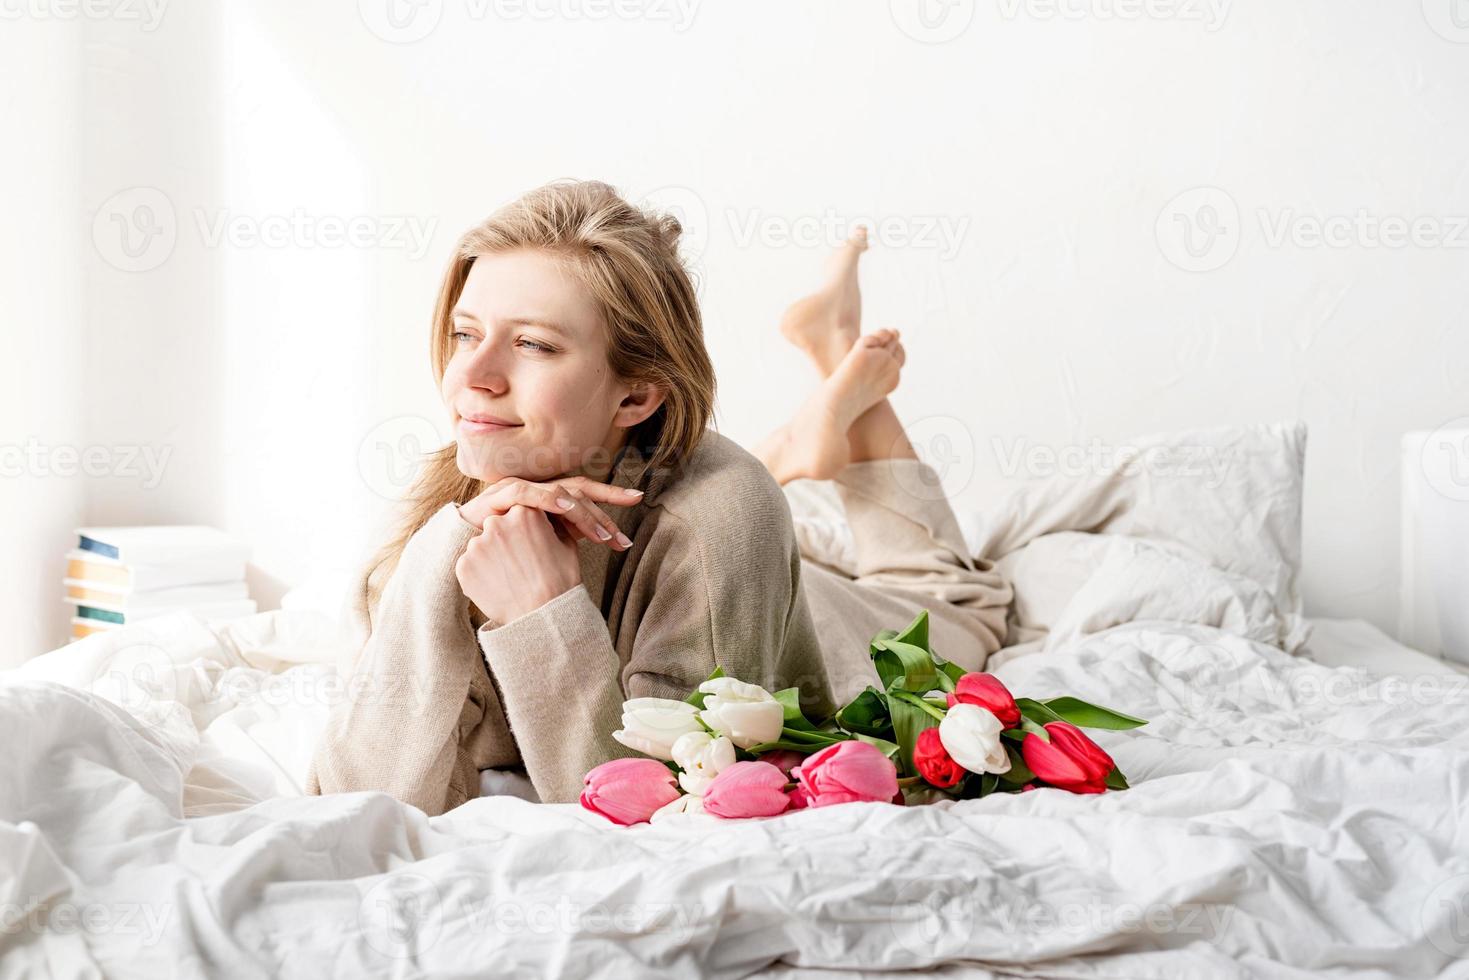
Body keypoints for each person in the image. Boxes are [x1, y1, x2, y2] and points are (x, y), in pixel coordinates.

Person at [305, 180, 1011, 814]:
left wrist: (540, 616)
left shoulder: (719, 524)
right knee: (721, 499)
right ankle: (799, 431)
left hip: (818, 618)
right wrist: (442, 550)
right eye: (465, 333)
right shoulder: (457, 488)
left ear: (637, 394)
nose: (473, 377)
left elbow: (653, 811)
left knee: (960, 606)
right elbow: (355, 801)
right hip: (701, 533)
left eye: (534, 345)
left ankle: (831, 359)